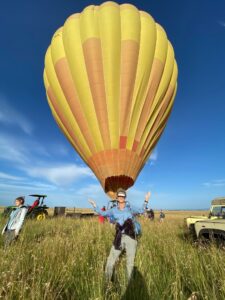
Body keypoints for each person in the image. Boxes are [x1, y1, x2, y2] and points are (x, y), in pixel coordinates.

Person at [89, 188, 151, 282]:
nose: (121, 198)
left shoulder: (130, 207)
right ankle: (107, 282)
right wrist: (94, 205)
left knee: (130, 262)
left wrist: (146, 200)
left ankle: (129, 285)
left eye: (123, 196)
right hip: (119, 237)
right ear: (117, 197)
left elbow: (141, 211)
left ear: (125, 197)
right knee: (110, 260)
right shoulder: (113, 210)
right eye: (119, 196)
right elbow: (103, 213)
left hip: (131, 237)